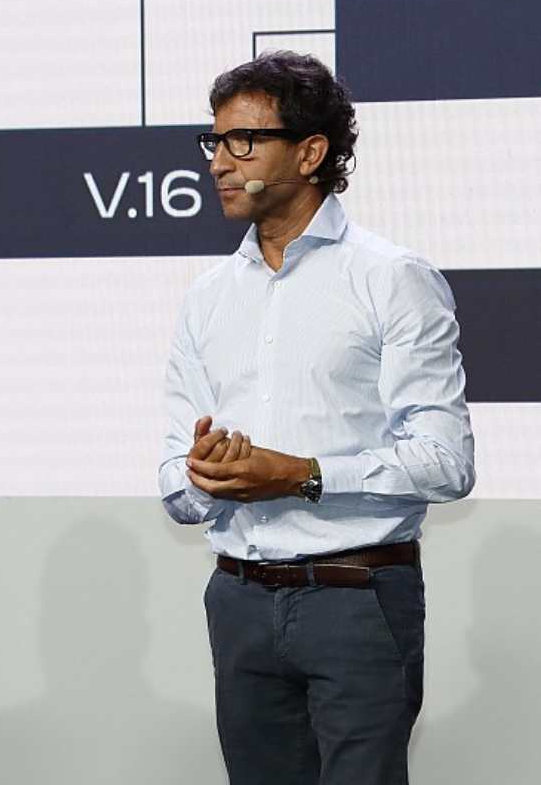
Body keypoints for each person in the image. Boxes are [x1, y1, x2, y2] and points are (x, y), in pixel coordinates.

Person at [159, 51, 475, 784]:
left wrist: (300, 475)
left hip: (358, 599)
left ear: (309, 152)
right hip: (236, 597)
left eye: (244, 142)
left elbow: (447, 460)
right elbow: (175, 481)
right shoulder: (206, 298)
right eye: (214, 142)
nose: (219, 163)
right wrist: (208, 475)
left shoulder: (392, 278)